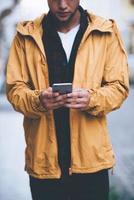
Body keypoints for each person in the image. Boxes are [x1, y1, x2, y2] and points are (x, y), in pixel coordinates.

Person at [6, 0, 129, 200]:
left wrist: (92, 99)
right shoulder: (25, 35)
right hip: (44, 163)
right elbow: (14, 90)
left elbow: (119, 87)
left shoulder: (106, 31)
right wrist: (38, 101)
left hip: (91, 162)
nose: (62, 5)